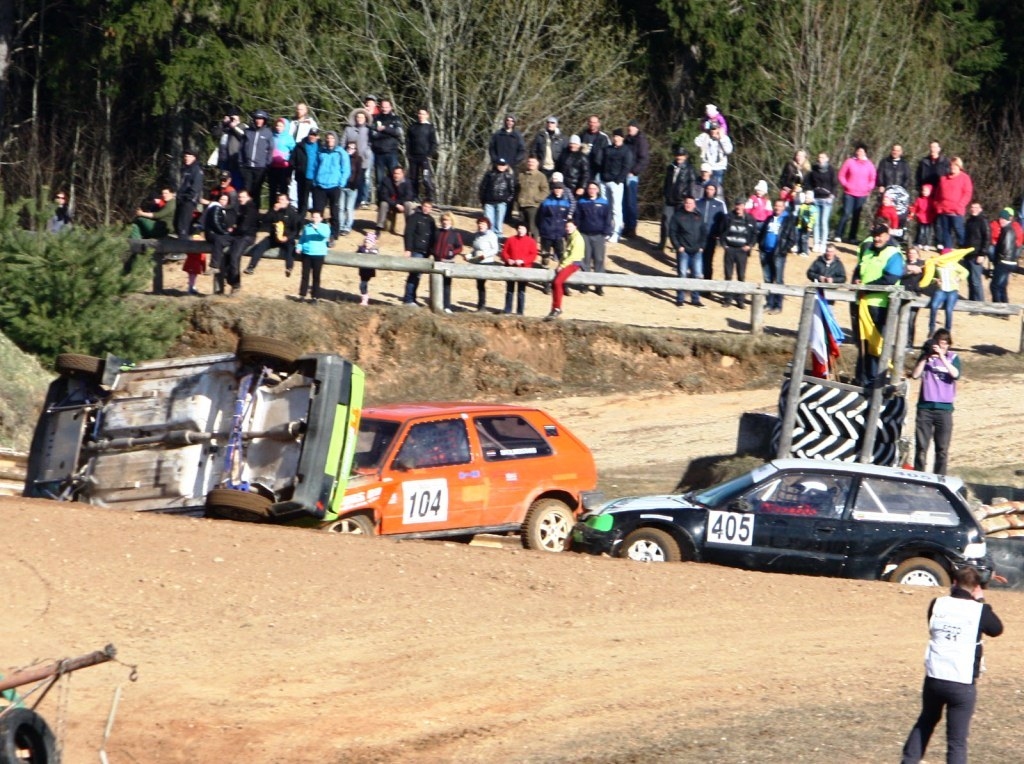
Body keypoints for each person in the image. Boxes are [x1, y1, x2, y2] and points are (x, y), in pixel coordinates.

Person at [899, 565, 1003, 764]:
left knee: (926, 721)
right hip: (962, 680)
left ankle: (909, 761)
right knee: (956, 740)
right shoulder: (979, 610)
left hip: (935, 676)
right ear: (975, 588)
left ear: (954, 582)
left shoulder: (936, 604)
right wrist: (981, 601)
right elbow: (996, 629)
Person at [852, 222, 905, 385]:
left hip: (881, 306)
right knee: (862, 342)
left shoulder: (894, 254)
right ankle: (862, 378)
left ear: (887, 236)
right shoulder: (867, 251)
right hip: (861, 304)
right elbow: (858, 270)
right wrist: (856, 280)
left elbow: (890, 278)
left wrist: (866, 288)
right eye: (875, 235)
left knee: (876, 345)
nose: (877, 238)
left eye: (880, 235)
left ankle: (875, 380)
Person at [244, 193, 302, 276]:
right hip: (273, 237)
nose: (280, 201)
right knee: (260, 247)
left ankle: (289, 268)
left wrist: (287, 237)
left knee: (290, 249)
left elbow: (295, 230)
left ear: (287, 201)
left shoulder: (292, 213)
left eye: (282, 200)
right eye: (279, 199)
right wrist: (273, 210)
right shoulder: (274, 210)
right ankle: (251, 267)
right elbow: (265, 221)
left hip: (286, 238)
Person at [311, 130, 349, 247]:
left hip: (334, 185)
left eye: (332, 138)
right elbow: (315, 166)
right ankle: (318, 232)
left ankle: (333, 234)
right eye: (328, 138)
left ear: (335, 140)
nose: (329, 140)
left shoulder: (341, 152)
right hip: (320, 185)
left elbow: (346, 169)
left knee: (334, 211)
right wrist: (314, 181)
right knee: (318, 211)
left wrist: (341, 183)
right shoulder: (320, 151)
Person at [758, 199, 797, 314]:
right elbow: (761, 233)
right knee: (767, 279)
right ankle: (769, 303)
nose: (777, 208)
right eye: (776, 206)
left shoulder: (788, 221)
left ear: (783, 208)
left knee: (778, 280)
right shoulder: (769, 219)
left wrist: (783, 250)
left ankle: (778, 305)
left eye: (779, 206)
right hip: (766, 253)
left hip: (779, 254)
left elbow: (792, 238)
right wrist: (761, 246)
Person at [669, 196, 707, 307]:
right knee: (682, 274)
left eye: (690, 203)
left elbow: (704, 232)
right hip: (683, 250)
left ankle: (695, 299)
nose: (688, 205)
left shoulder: (699, 216)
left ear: (694, 204)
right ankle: (680, 298)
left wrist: (702, 246)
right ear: (684, 203)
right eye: (686, 203)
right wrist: (678, 246)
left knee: (697, 274)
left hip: (697, 251)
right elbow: (672, 233)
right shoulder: (677, 216)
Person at [575, 181, 612, 294]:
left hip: (599, 235)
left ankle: (599, 285)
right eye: (590, 188)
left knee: (599, 260)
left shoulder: (604, 202)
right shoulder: (581, 202)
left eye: (594, 188)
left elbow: (608, 218)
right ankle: (585, 284)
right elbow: (577, 218)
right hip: (584, 234)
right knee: (585, 260)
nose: (592, 190)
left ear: (598, 190)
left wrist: (607, 232)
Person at [835, 143, 876, 243]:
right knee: (846, 213)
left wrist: (868, 188)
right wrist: (846, 184)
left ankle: (852, 237)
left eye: (862, 151)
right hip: (849, 193)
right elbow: (841, 175)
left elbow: (873, 179)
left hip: (862, 194)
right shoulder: (849, 162)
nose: (859, 153)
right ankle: (839, 234)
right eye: (858, 151)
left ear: (865, 153)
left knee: (856, 216)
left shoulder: (869, 165)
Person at [720, 199, 757, 307]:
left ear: (744, 206)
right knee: (728, 274)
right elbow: (721, 230)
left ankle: (740, 299)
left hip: (742, 251)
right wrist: (724, 245)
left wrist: (750, 246)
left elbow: (754, 234)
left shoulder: (750, 219)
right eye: (737, 205)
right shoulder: (728, 217)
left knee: (741, 275)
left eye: (741, 205)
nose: (738, 207)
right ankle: (728, 299)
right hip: (730, 249)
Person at [536, 180, 574, 284]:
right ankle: (545, 283)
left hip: (559, 235)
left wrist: (564, 232)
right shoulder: (546, 202)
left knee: (562, 259)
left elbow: (566, 218)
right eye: (556, 188)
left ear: (563, 190)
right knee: (545, 259)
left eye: (560, 189)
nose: (558, 190)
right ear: (553, 189)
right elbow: (539, 218)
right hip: (546, 235)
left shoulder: (566, 203)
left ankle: (563, 282)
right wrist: (543, 229)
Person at [546, 219, 584, 320]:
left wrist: (562, 265)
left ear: (575, 227)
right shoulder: (571, 236)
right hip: (569, 262)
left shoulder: (577, 238)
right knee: (555, 283)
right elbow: (566, 254)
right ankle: (555, 307)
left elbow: (573, 256)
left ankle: (557, 308)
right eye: (567, 227)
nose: (567, 229)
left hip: (573, 263)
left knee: (558, 282)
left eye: (570, 226)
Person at [660, 147, 697, 250]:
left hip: (681, 200)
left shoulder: (690, 169)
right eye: (677, 155)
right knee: (665, 220)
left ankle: (676, 244)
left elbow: (692, 184)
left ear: (685, 156)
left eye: (681, 155)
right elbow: (667, 181)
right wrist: (665, 193)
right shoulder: (670, 167)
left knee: (679, 223)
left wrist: (689, 198)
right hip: (669, 199)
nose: (679, 157)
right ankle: (662, 242)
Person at [601, 128, 633, 243]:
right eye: (614, 136)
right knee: (606, 208)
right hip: (605, 182)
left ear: (622, 138)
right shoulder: (607, 149)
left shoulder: (626, 151)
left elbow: (626, 167)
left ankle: (617, 232)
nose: (616, 138)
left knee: (616, 209)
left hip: (616, 183)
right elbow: (602, 163)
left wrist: (618, 180)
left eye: (618, 136)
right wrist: (603, 177)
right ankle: (607, 230)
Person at [402, 201, 436, 306]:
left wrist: (432, 251)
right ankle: (408, 299)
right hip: (416, 250)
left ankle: (413, 297)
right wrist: (408, 249)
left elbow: (434, 236)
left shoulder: (431, 220)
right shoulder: (414, 217)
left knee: (418, 276)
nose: (426, 209)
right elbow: (408, 233)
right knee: (414, 274)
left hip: (425, 252)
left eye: (429, 207)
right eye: (425, 206)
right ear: (422, 206)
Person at [238, 110, 275, 207]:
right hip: (247, 166)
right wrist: (241, 163)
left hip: (260, 167)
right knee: (247, 190)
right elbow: (241, 147)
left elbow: (271, 149)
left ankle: (255, 213)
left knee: (256, 190)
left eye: (261, 119)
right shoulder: (248, 131)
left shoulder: (268, 133)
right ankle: (245, 212)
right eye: (257, 119)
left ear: (265, 120)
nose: (259, 121)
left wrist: (268, 164)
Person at [501, 222, 539, 316]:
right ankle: (507, 310)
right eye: (519, 228)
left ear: (526, 230)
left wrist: (523, 261)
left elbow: (533, 255)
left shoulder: (531, 241)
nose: (520, 230)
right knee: (510, 290)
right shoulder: (510, 239)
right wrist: (508, 259)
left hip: (524, 269)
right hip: (511, 268)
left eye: (522, 229)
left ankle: (520, 312)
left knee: (521, 291)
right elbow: (504, 252)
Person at [225, 188, 258, 295]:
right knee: (226, 251)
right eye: (239, 197)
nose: (240, 199)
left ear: (248, 197)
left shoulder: (250, 208)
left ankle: (235, 284)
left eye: (243, 197)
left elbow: (244, 227)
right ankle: (228, 276)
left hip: (247, 236)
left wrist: (234, 230)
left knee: (235, 255)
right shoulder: (241, 207)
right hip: (240, 235)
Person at [935, 157, 973, 249]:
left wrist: (960, 205)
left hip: (956, 211)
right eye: (951, 165)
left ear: (960, 166)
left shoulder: (965, 178)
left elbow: (967, 193)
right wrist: (937, 206)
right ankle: (947, 250)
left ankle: (964, 250)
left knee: (959, 230)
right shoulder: (943, 178)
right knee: (945, 232)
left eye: (955, 165)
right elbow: (938, 193)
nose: (953, 167)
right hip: (944, 210)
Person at [432, 212, 464, 313]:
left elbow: (460, 247)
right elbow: (432, 244)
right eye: (444, 220)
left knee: (446, 284)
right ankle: (436, 304)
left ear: (451, 221)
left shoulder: (455, 234)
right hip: (437, 261)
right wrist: (433, 252)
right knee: (436, 283)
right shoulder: (437, 232)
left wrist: (452, 252)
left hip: (448, 262)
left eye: (447, 220)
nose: (445, 222)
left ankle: (447, 306)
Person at [623, 120, 650, 238]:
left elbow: (644, 159)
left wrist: (633, 171)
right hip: (622, 174)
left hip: (632, 175)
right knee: (623, 202)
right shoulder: (626, 140)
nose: (630, 129)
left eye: (632, 127)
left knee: (631, 202)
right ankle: (626, 226)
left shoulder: (641, 141)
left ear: (637, 128)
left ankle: (632, 227)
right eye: (629, 127)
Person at [467, 216, 500, 312]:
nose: (481, 226)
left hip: (487, 262)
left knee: (481, 283)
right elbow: (474, 249)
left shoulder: (492, 235)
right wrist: (468, 256)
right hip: (477, 262)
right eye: (480, 223)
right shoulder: (477, 235)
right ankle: (480, 305)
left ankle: (482, 305)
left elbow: (495, 249)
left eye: (483, 224)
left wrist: (485, 256)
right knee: (479, 284)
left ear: (487, 225)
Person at [343, 108, 374, 207]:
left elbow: (371, 143)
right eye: (358, 117)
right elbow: (342, 142)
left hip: (364, 158)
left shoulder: (368, 130)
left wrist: (367, 151)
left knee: (365, 179)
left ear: (365, 118)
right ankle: (352, 200)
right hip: (351, 160)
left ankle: (364, 199)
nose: (360, 119)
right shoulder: (348, 129)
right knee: (351, 178)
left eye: (362, 117)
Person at [297, 210, 330, 304]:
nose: (314, 219)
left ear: (321, 218)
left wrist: (316, 228)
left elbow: (325, 235)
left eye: (316, 217)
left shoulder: (325, 227)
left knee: (316, 276)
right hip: (306, 254)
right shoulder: (307, 227)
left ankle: (315, 297)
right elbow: (302, 239)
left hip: (319, 254)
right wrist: (299, 247)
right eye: (313, 217)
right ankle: (302, 295)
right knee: (305, 275)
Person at [479, 158, 517, 239]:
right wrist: (483, 200)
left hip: (501, 203)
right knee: (488, 223)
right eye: (500, 164)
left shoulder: (509, 176)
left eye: (503, 165)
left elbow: (512, 191)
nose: (501, 167)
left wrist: (507, 201)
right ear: (496, 165)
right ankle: (488, 239)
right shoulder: (489, 175)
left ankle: (498, 240)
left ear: (506, 166)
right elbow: (482, 188)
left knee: (498, 223)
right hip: (489, 203)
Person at [369, 98, 403, 188]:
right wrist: (389, 133)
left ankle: (396, 199)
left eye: (387, 107)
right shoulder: (375, 118)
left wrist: (384, 129)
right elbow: (373, 134)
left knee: (395, 177)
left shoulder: (396, 118)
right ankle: (381, 200)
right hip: (378, 153)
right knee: (379, 179)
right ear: (380, 107)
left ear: (391, 107)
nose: (384, 109)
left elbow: (398, 132)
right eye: (383, 107)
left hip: (392, 152)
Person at [406, 108, 438, 201]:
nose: (421, 116)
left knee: (425, 178)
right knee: (413, 178)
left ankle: (429, 197)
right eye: (419, 113)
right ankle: (414, 196)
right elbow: (408, 141)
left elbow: (433, 143)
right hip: (413, 157)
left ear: (427, 115)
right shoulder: (412, 127)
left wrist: (429, 155)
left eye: (423, 114)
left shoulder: (430, 127)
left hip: (424, 157)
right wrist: (408, 153)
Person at [696, 182, 727, 277]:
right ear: (705, 190)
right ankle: (695, 286)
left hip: (711, 237)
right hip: (697, 237)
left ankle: (707, 287)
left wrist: (718, 233)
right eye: (708, 189)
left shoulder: (720, 204)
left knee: (708, 261)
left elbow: (725, 221)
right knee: (697, 261)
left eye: (712, 189)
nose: (709, 191)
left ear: (715, 191)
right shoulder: (697, 202)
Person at [809, 153, 837, 253]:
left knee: (824, 222)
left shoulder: (831, 170)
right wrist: (810, 194)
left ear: (827, 159)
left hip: (826, 200)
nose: (821, 159)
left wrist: (832, 195)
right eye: (819, 157)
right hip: (816, 199)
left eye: (823, 157)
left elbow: (834, 184)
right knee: (816, 222)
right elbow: (810, 183)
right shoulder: (814, 169)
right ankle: (816, 242)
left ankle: (823, 243)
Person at [376, 165, 416, 235]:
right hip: (390, 204)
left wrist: (400, 204)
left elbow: (409, 196)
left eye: (398, 174)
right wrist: (396, 204)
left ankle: (409, 229)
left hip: (402, 204)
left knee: (408, 204)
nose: (396, 175)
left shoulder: (407, 182)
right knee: (383, 203)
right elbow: (384, 195)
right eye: (395, 173)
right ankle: (379, 227)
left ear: (403, 174)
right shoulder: (387, 180)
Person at [962, 201, 989, 302]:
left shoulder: (983, 220)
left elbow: (987, 238)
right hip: (968, 254)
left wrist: (982, 254)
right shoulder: (969, 221)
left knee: (976, 281)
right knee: (969, 280)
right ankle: (971, 302)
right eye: (972, 207)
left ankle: (979, 304)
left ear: (980, 209)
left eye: (976, 207)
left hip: (977, 255)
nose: (974, 209)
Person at [517, 157, 550, 238]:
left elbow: (545, 191)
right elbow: (517, 190)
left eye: (533, 162)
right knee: (522, 227)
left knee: (533, 228)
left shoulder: (541, 176)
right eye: (529, 161)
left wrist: (537, 198)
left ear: (537, 164)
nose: (531, 163)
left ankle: (533, 246)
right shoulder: (521, 175)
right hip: (521, 205)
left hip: (533, 206)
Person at [990, 208, 1018, 303]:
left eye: (1002, 219)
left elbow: (1005, 248)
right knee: (1002, 286)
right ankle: (1005, 309)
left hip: (1004, 261)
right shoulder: (1009, 229)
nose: (1000, 221)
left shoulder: (1006, 230)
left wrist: (999, 259)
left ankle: (998, 309)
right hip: (1009, 262)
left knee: (994, 286)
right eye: (1000, 219)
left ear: (1006, 219)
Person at [693, 123, 733, 188]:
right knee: (704, 187)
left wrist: (721, 139)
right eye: (711, 129)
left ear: (718, 129)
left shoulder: (724, 138)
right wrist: (704, 135)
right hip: (707, 167)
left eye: (714, 129)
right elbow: (696, 142)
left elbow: (728, 150)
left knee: (716, 187)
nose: (713, 131)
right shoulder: (706, 137)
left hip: (718, 167)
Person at [175, 148, 204, 237]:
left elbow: (195, 188)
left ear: (194, 157)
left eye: (188, 156)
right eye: (185, 156)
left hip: (188, 201)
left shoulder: (197, 170)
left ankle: (184, 246)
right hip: (181, 200)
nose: (186, 158)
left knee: (183, 226)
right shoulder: (186, 169)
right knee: (177, 224)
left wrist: (186, 197)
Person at [291, 128, 319, 219]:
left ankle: (316, 223)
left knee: (317, 202)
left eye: (314, 135)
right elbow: (292, 161)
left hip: (317, 179)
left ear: (317, 136)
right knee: (302, 201)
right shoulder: (299, 146)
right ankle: (300, 222)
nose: (312, 137)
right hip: (302, 177)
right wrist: (297, 169)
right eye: (311, 134)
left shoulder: (321, 147)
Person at [267, 117, 296, 203]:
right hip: (272, 166)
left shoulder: (289, 138)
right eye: (277, 125)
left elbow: (293, 151)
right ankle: (272, 209)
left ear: (285, 127)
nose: (278, 127)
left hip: (284, 167)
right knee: (272, 189)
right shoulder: (271, 136)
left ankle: (283, 209)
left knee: (283, 189)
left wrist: (288, 160)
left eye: (281, 126)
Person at [338, 140, 362, 237]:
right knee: (340, 208)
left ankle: (347, 227)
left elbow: (359, 174)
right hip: (342, 186)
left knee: (349, 208)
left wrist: (355, 185)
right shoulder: (342, 157)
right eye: (349, 147)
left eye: (353, 148)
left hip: (352, 188)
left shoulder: (358, 159)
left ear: (356, 149)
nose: (350, 150)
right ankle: (341, 226)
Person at [556, 134, 591, 198]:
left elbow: (586, 174)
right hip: (562, 185)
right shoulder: (563, 154)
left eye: (575, 144)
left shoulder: (582, 157)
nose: (573, 145)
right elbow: (558, 168)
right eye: (571, 143)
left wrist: (582, 187)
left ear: (579, 145)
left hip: (575, 187)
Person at [579, 115, 610, 182]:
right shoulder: (582, 136)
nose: (592, 124)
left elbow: (607, 155)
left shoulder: (603, 138)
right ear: (588, 123)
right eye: (591, 122)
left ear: (598, 124)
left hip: (598, 170)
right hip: (584, 168)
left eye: (594, 122)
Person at [910, 184, 937, 250]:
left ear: (930, 192)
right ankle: (920, 243)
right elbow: (915, 207)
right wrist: (913, 213)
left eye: (926, 191)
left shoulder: (931, 201)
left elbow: (934, 210)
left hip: (928, 219)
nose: (924, 192)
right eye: (923, 191)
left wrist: (933, 216)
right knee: (921, 232)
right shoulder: (919, 199)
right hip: (921, 219)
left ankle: (927, 244)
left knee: (928, 233)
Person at [355, 229, 379, 306]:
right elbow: (357, 253)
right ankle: (365, 297)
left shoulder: (374, 251)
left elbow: (375, 256)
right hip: (362, 270)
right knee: (363, 283)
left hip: (369, 271)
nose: (367, 244)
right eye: (366, 242)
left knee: (362, 284)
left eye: (369, 242)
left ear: (372, 243)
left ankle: (365, 298)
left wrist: (368, 251)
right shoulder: (361, 249)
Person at [794, 190, 818, 257]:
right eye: (806, 198)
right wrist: (797, 221)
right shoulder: (802, 205)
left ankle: (805, 251)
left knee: (804, 238)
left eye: (808, 198)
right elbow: (799, 214)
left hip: (807, 226)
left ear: (812, 199)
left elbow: (813, 218)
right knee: (798, 237)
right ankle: (799, 250)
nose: (806, 199)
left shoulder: (812, 207)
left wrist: (810, 226)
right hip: (800, 224)